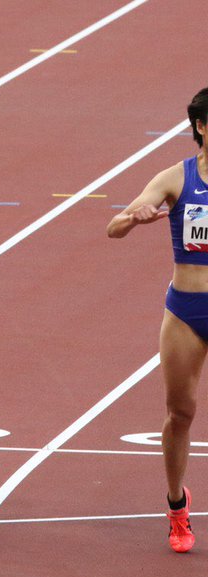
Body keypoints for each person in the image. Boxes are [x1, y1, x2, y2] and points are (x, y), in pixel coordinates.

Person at [107, 87, 208, 553]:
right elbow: (115, 226)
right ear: (201, 127)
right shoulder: (177, 178)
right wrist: (138, 218)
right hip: (187, 311)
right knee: (179, 413)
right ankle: (177, 507)